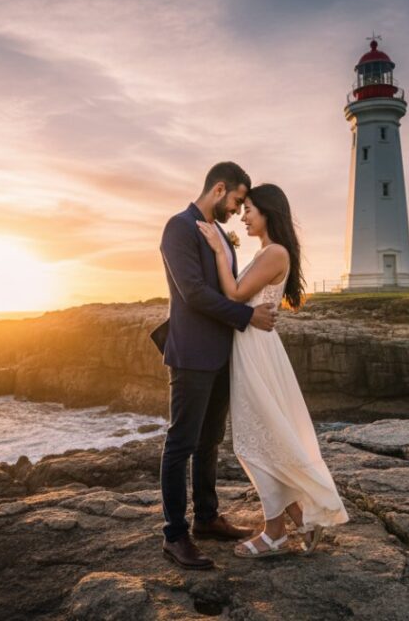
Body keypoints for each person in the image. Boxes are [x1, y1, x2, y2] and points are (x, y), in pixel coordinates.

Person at [196, 183, 349, 559]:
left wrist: (219, 248)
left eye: (249, 209)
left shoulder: (275, 252)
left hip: (256, 351)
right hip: (251, 347)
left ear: (268, 213)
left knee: (256, 440)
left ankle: (278, 530)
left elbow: (233, 294)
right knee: (261, 438)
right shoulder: (269, 252)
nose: (243, 216)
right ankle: (298, 516)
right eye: (243, 209)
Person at [155, 161, 278, 570]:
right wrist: (248, 318)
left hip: (223, 355)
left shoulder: (220, 234)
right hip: (191, 354)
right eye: (238, 200)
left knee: (209, 442)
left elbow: (230, 286)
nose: (238, 210)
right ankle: (175, 535)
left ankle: (206, 518)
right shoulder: (178, 227)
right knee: (181, 443)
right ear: (220, 188)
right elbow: (192, 294)